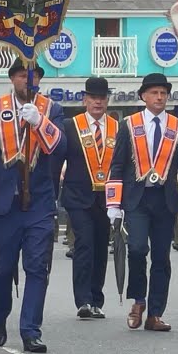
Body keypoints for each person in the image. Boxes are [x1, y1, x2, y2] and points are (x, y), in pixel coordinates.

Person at [0, 62, 65, 352]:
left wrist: (39, 122)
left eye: (33, 75)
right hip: (4, 201)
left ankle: (30, 330)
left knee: (38, 266)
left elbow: (61, 150)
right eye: (23, 75)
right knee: (1, 269)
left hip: (39, 201)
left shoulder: (52, 109)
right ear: (12, 78)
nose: (28, 80)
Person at [106, 72, 178, 333]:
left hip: (164, 199)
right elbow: (118, 164)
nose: (159, 97)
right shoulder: (128, 124)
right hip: (137, 198)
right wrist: (113, 204)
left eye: (163, 93)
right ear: (144, 96)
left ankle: (155, 313)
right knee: (136, 249)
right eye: (155, 93)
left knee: (161, 257)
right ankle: (138, 300)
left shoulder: (177, 127)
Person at [60, 77, 117, 320]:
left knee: (101, 247)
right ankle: (83, 300)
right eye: (93, 97)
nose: (98, 102)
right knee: (84, 244)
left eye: (102, 98)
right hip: (78, 196)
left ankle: (96, 298)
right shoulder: (70, 125)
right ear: (85, 99)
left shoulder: (117, 127)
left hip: (107, 199)